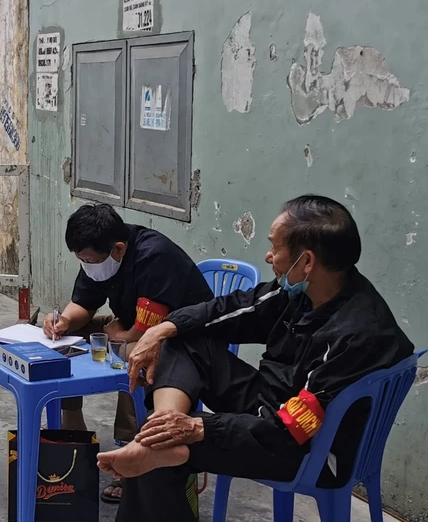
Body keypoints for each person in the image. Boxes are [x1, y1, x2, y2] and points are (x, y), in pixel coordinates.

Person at [96, 195, 415, 522]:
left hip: (310, 449)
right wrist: (164, 328)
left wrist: (198, 427)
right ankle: (162, 424)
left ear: (306, 261)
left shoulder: (353, 336)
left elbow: (290, 431)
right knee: (182, 341)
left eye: (275, 246)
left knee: (160, 455)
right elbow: (232, 309)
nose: (268, 255)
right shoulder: (305, 291)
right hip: (272, 403)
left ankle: (158, 440)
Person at [42, 203, 214, 503]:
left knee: (135, 356)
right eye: (82, 260)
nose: (87, 265)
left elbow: (144, 333)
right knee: (69, 337)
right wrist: (64, 321)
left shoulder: (154, 257)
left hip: (180, 340)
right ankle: (72, 429)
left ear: (118, 249)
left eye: (90, 260)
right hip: (131, 326)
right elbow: (84, 304)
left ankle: (131, 446)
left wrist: (116, 336)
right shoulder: (99, 257)